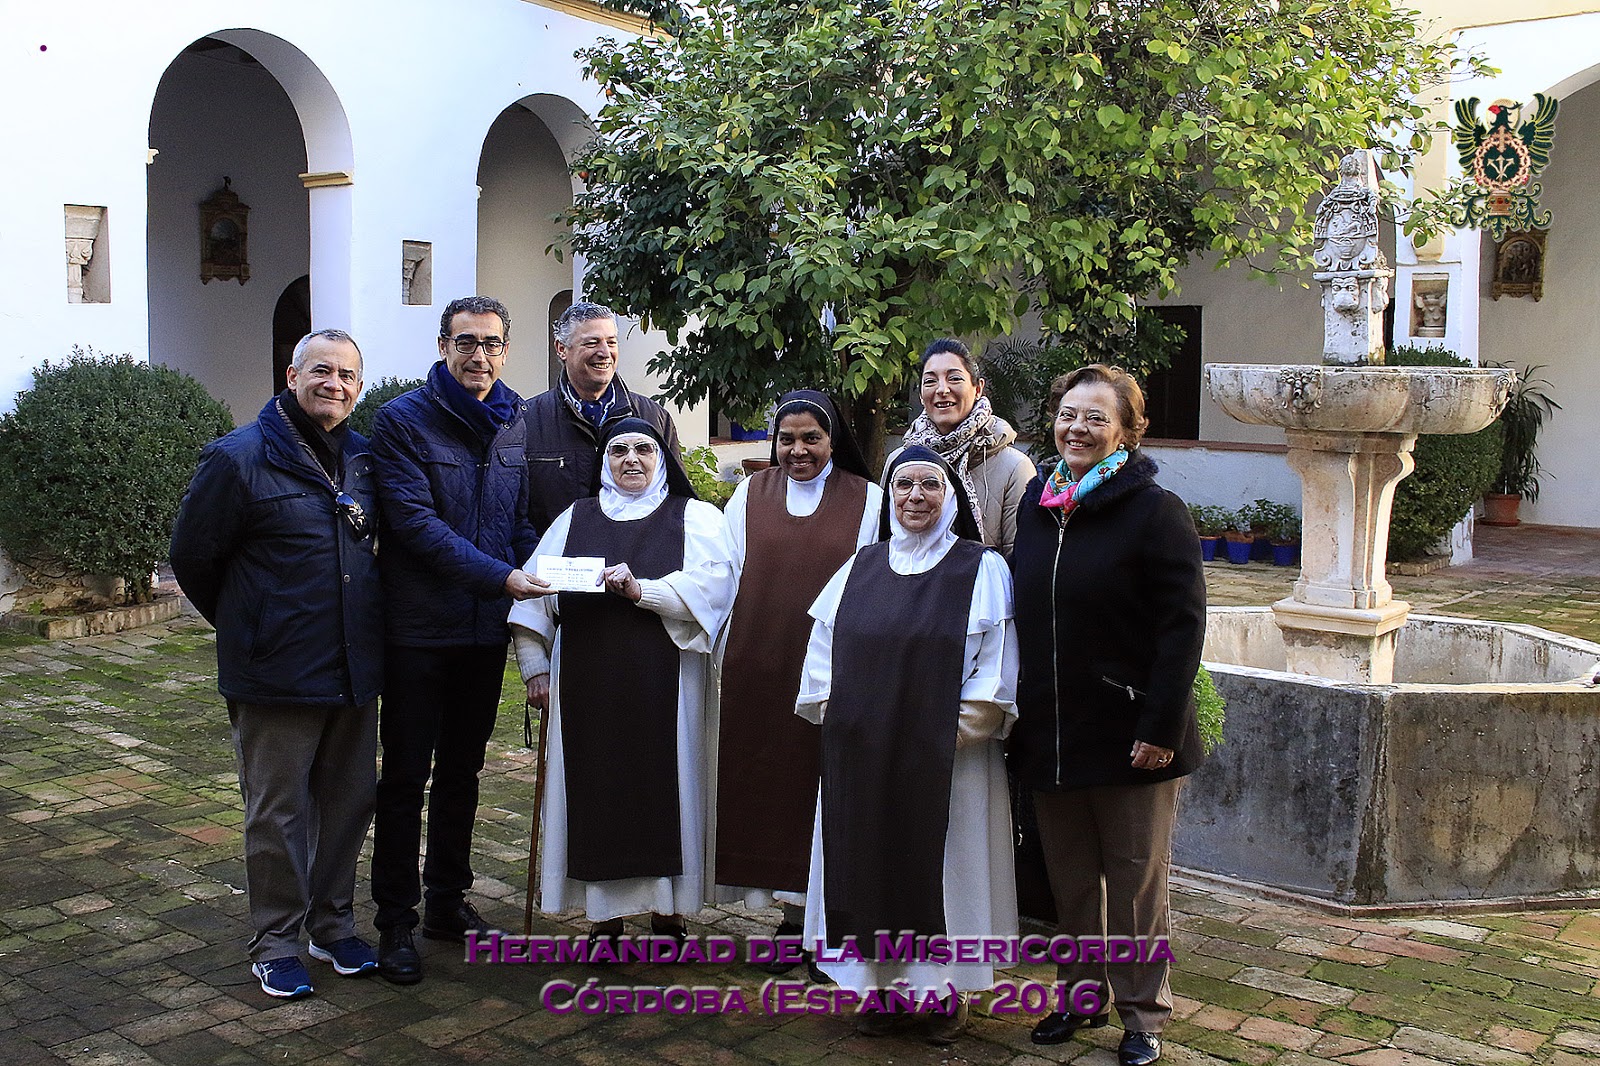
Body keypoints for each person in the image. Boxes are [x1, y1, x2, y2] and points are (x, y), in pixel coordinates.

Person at [170, 328, 382, 999]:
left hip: (352, 666)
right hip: (276, 672)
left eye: (347, 376)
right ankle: (276, 942)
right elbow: (192, 558)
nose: (334, 384)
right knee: (278, 813)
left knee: (348, 803)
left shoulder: (363, 458)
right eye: (321, 370)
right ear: (292, 376)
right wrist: (252, 625)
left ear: (358, 388)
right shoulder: (238, 458)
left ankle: (332, 925)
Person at [1007, 365, 1206, 1066]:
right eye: (1069, 414)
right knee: (1069, 881)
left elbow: (1182, 628)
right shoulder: (1039, 504)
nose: (1078, 428)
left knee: (1134, 885)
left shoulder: (1156, 512)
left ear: (1126, 430)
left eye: (1096, 417)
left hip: (1129, 735)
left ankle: (1143, 1014)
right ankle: (1079, 995)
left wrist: (1159, 727)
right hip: (1052, 733)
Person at [797, 446, 1018, 1045]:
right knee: (865, 862)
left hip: (947, 761)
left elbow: (994, 670)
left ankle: (946, 991)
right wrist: (844, 720)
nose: (915, 496)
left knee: (948, 872)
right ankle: (882, 986)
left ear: (952, 497)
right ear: (889, 495)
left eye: (930, 485)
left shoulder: (981, 569)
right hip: (863, 756)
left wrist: (943, 734)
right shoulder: (859, 567)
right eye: (903, 485)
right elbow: (822, 659)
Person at [367, 296, 544, 985]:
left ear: (506, 350)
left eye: (492, 344)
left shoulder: (515, 419)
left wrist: (541, 571)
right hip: (419, 630)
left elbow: (518, 519)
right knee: (405, 776)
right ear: (443, 346)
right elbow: (414, 525)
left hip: (481, 633)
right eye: (466, 342)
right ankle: (394, 921)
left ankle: (446, 900)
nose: (480, 355)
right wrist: (503, 577)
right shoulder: (401, 420)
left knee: (463, 772)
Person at [510, 418, 730, 941]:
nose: (631, 459)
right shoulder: (574, 518)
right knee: (595, 792)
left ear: (662, 459)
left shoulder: (695, 517)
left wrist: (642, 591)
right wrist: (535, 667)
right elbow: (534, 597)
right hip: (586, 688)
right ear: (604, 461)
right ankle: (603, 918)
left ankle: (669, 914)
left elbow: (715, 589)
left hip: (668, 687)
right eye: (619, 450)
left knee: (668, 791)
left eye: (643, 449)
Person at [711, 390, 882, 968]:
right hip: (760, 667)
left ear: (834, 440)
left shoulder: (868, 499)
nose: (798, 450)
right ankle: (790, 921)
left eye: (812, 438)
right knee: (772, 794)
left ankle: (833, 923)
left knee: (828, 793)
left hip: (835, 673)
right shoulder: (750, 494)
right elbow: (723, 575)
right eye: (787, 439)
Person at [524, 301, 680, 535]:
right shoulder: (527, 421)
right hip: (556, 557)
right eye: (592, 342)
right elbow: (517, 515)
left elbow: (676, 503)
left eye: (611, 342)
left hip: (637, 556)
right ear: (561, 348)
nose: (605, 353)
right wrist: (541, 553)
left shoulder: (654, 418)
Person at [887, 338, 1035, 558]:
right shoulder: (899, 462)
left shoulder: (1014, 468)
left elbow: (1019, 559)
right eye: (930, 381)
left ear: (978, 388)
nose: (942, 389)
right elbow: (885, 541)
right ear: (920, 395)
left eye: (954, 378)